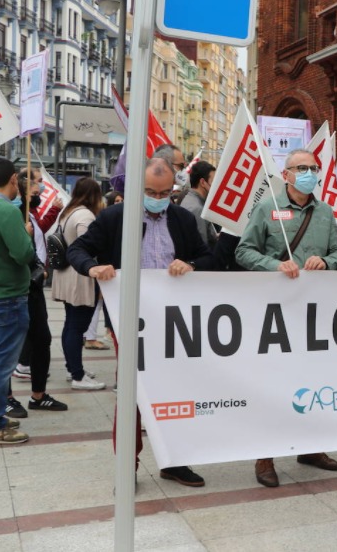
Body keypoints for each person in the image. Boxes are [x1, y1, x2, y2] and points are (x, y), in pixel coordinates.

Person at [68, 158, 213, 487]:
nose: (157, 198)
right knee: (133, 392)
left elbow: (209, 257)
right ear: (136, 189)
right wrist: (93, 267)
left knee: (176, 390)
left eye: (164, 192)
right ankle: (127, 466)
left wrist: (190, 264)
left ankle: (175, 460)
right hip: (130, 318)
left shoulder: (183, 219)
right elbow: (77, 250)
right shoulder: (114, 217)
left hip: (175, 322)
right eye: (149, 191)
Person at [236, 149, 337, 487]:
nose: (310, 172)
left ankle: (311, 447)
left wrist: (326, 262)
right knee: (274, 382)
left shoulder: (326, 212)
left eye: (314, 168)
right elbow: (243, 251)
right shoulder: (268, 207)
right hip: (276, 312)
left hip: (314, 313)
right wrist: (274, 265)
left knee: (314, 380)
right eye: (302, 168)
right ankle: (265, 455)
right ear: (286, 174)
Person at [0, 157, 34, 444]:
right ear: (13, 179)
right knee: (0, 365)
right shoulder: (7, 212)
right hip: (8, 297)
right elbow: (23, 255)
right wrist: (26, 235)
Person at [9, 175, 68, 412]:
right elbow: (18, 250)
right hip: (18, 288)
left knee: (42, 340)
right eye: (36, 184)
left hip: (34, 288)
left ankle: (38, 395)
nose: (40, 189)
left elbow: (38, 231)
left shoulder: (30, 214)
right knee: (9, 344)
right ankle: (5, 399)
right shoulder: (15, 213)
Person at [51, 178, 107, 391]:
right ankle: (77, 375)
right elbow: (88, 244)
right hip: (80, 278)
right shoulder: (85, 215)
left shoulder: (68, 211)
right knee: (77, 327)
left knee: (70, 325)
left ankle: (72, 367)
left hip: (66, 275)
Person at [179, 161, 218, 249]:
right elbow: (202, 247)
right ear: (203, 182)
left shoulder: (191, 200)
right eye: (214, 181)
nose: (216, 185)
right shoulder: (197, 209)